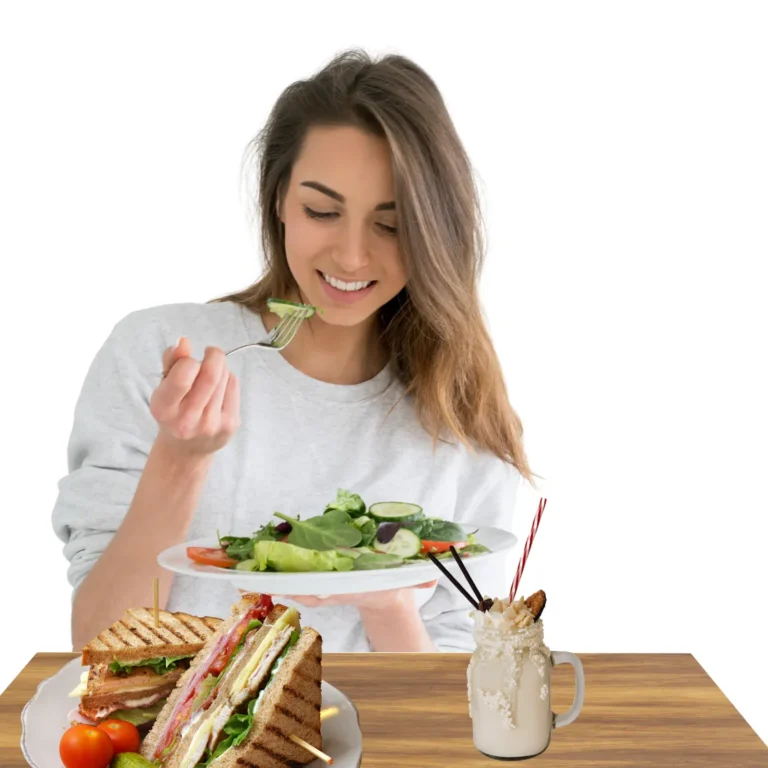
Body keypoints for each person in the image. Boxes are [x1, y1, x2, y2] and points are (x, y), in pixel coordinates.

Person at [52, 49, 532, 654]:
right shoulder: (155, 351)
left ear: (435, 231)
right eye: (322, 211)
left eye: (391, 225)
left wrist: (386, 597)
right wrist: (180, 459)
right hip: (177, 719)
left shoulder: (459, 416)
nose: (352, 256)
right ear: (279, 199)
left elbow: (446, 687)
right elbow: (99, 645)